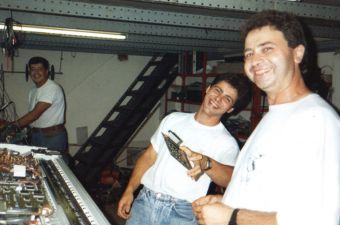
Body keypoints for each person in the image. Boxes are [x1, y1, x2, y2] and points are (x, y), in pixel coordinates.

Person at [192, 10, 340, 225]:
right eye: (249, 53)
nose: (255, 60)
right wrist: (230, 201)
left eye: (267, 49)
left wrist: (231, 217)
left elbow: (320, 218)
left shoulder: (315, 119)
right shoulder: (276, 115)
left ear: (297, 53)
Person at [117, 73, 252, 225]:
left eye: (227, 98)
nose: (218, 98)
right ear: (208, 89)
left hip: (181, 213)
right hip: (144, 202)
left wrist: (207, 163)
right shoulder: (172, 119)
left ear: (230, 109)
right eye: (217, 90)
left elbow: (230, 180)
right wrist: (129, 190)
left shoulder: (226, 142)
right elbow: (149, 156)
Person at [14, 56, 68, 157]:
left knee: (53, 170)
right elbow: (33, 116)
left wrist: (13, 126)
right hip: (37, 135)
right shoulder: (33, 90)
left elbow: (35, 114)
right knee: (38, 168)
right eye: (33, 69)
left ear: (46, 71)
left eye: (40, 69)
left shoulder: (52, 88)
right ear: (29, 72)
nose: (36, 73)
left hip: (52, 137)